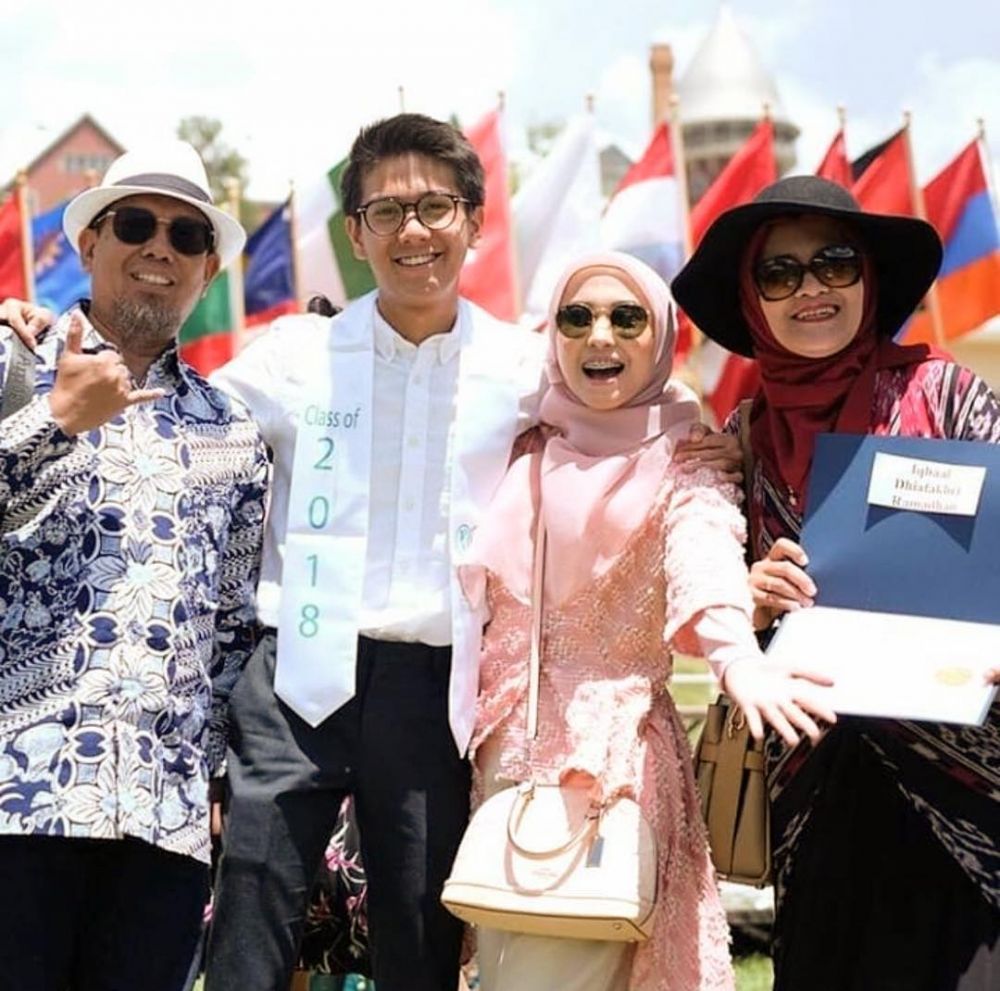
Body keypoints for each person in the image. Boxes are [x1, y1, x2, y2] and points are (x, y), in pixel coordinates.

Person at [199, 113, 545, 991]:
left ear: (474, 219)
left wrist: (707, 437)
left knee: (421, 928)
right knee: (251, 909)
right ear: (355, 234)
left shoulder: (524, 366)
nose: (412, 230)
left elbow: (629, 415)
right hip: (297, 671)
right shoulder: (297, 354)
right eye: (386, 212)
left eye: (435, 207)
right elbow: (178, 418)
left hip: (433, 682)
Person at [465, 251, 835, 991]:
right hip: (494, 754)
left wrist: (738, 658)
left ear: (660, 335)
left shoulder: (686, 461)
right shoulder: (516, 444)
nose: (600, 336)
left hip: (607, 761)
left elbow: (704, 558)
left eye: (627, 317)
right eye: (578, 317)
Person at [672, 175, 1000, 991]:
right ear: (751, 300)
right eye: (778, 273)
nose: (810, 287)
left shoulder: (947, 394)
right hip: (816, 784)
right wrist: (749, 593)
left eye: (834, 263)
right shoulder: (744, 436)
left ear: (869, 278)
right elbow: (696, 588)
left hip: (963, 780)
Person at [0, 141, 268, 990]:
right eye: (137, 225)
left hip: (163, 818)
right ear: (89, 243)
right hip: (18, 795)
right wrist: (52, 420)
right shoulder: (11, 365)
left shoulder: (232, 430)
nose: (160, 247)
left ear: (208, 268)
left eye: (186, 235)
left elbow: (232, 626)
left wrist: (216, 773)